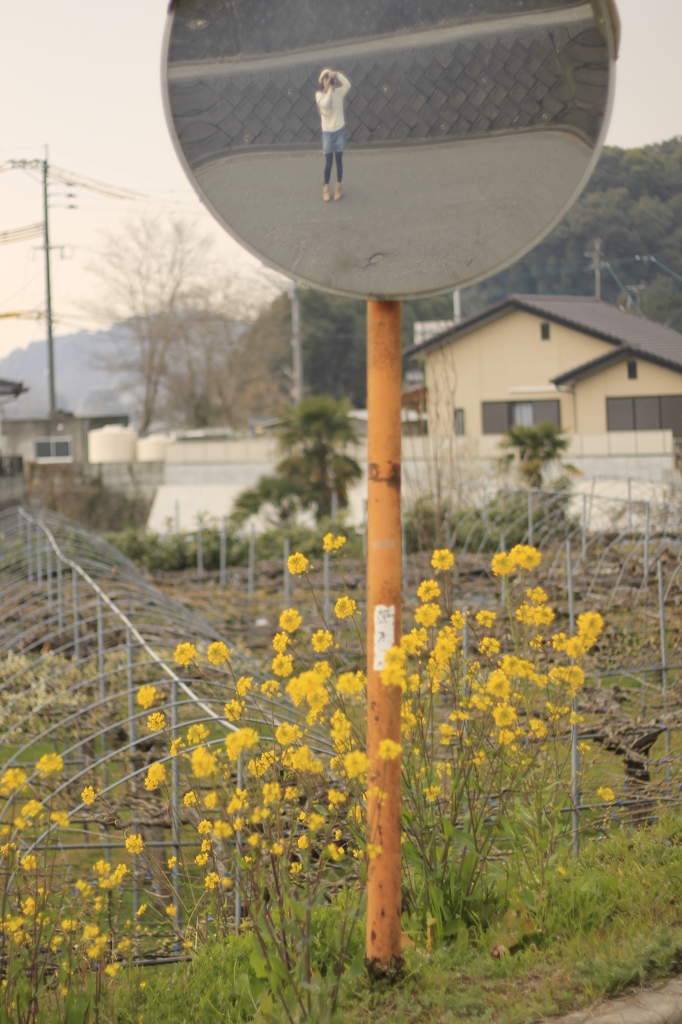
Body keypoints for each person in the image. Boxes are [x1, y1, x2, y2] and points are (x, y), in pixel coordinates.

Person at [316, 68, 351, 202]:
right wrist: (329, 89)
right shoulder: (319, 95)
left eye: (329, 78)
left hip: (339, 130)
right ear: (321, 81)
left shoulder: (339, 92)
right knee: (328, 162)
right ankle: (326, 188)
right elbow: (325, 104)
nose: (328, 80)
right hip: (327, 133)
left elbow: (348, 85)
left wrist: (337, 75)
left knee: (339, 161)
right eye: (326, 78)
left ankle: (338, 187)